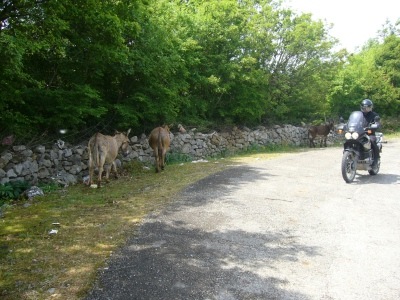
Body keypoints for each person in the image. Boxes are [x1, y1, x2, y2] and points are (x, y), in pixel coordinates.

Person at [360, 99, 381, 166]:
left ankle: (375, 159)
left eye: (367, 107)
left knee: (372, 140)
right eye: (364, 107)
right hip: (359, 133)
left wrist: (376, 125)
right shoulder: (359, 114)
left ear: (370, 107)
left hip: (369, 133)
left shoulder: (374, 115)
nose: (365, 109)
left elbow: (377, 123)